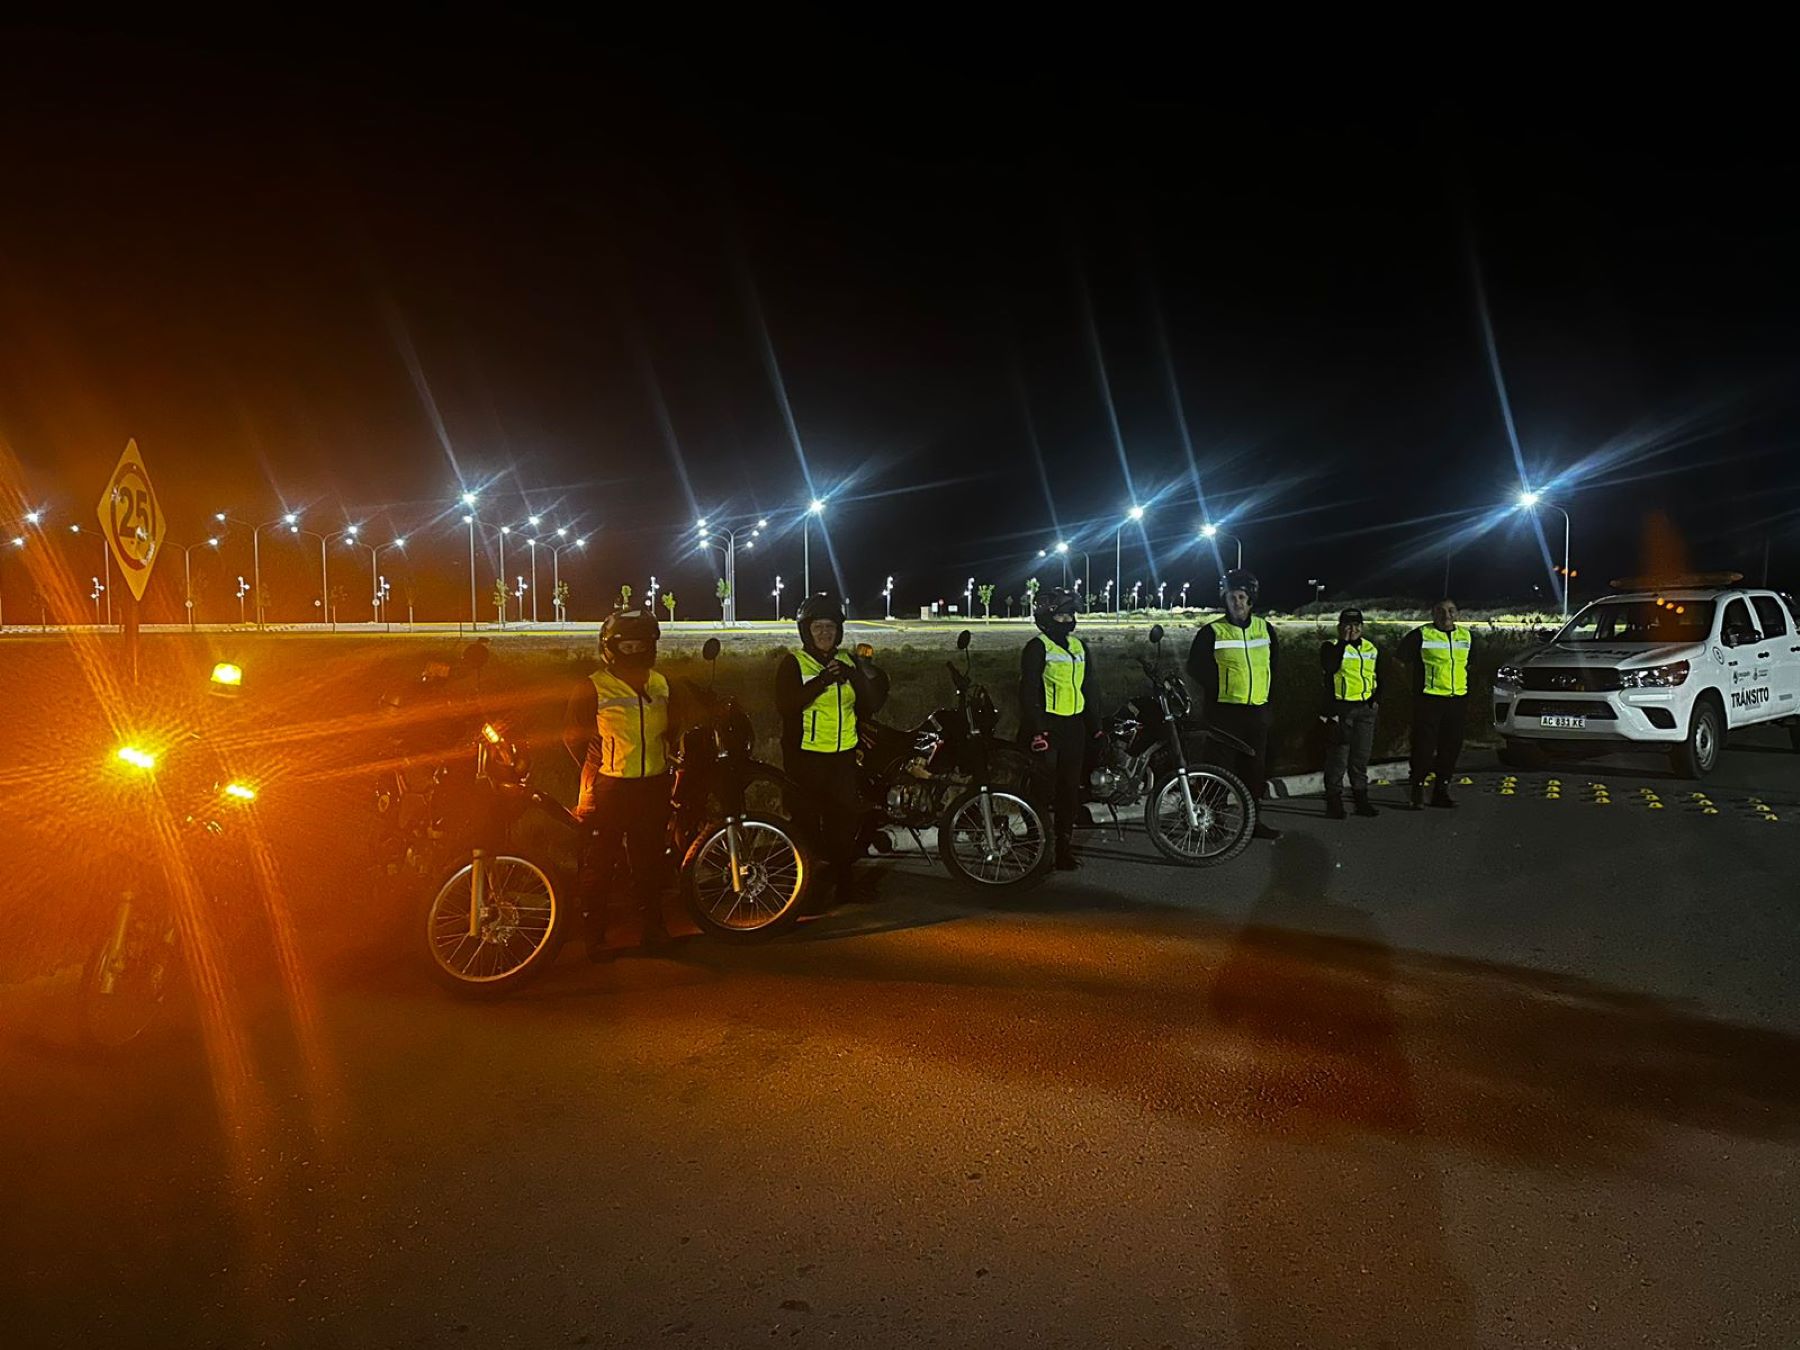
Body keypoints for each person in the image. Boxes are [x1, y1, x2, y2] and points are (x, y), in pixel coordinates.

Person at [563, 608, 678, 959]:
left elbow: (672, 729)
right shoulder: (592, 686)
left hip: (652, 784)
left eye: (639, 645)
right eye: (625, 646)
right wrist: (600, 764)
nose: (633, 651)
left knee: (649, 863)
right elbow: (573, 737)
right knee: (600, 863)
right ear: (611, 647)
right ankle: (594, 936)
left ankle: (654, 929)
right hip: (609, 787)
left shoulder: (660, 683)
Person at [775, 593, 887, 902]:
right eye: (817, 628)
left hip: (842, 758)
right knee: (807, 825)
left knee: (843, 824)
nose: (825, 633)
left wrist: (858, 675)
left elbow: (871, 703)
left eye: (830, 627)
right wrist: (822, 681)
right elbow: (786, 705)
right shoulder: (794, 663)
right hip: (806, 759)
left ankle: (844, 884)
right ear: (806, 632)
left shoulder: (848, 661)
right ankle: (806, 889)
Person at [1187, 568, 1283, 841]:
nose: (1237, 602)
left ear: (1251, 599)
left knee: (1254, 772)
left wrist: (1268, 704)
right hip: (1224, 714)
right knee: (1219, 770)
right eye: (1231, 597)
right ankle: (1211, 821)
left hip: (1257, 712)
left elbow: (1273, 667)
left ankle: (1253, 822)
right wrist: (1222, 687)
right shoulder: (1212, 631)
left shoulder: (1265, 629)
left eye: (1242, 597)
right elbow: (1196, 667)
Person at [1018, 585, 1098, 870]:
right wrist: (1038, 729)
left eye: (1071, 615)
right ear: (1047, 615)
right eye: (1063, 615)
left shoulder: (1079, 647)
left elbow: (1088, 688)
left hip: (1074, 727)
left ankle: (1063, 849)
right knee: (1041, 791)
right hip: (1047, 729)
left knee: (1069, 791)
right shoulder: (1037, 647)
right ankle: (1037, 846)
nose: (1069, 620)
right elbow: (1027, 692)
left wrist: (1096, 727)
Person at [1397, 597, 1473, 809]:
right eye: (1441, 611)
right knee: (1423, 747)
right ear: (1433, 613)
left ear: (1457, 613)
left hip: (1457, 701)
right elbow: (1399, 662)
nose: (1446, 615)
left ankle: (1441, 791)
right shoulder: (1421, 635)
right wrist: (1413, 689)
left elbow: (1469, 666)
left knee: (1451, 747)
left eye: (1451, 610)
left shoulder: (1466, 636)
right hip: (1429, 701)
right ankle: (1417, 790)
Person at [1319, 607, 1381, 819]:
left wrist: (1375, 699)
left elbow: (1378, 674)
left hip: (1365, 710)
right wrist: (1344, 643)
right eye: (1347, 625)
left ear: (1362, 627)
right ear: (1339, 627)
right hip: (1341, 710)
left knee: (1361, 758)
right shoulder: (1331, 647)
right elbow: (1330, 667)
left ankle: (1361, 800)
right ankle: (1334, 801)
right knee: (1338, 759)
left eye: (1356, 625)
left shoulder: (1371, 648)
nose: (1352, 629)